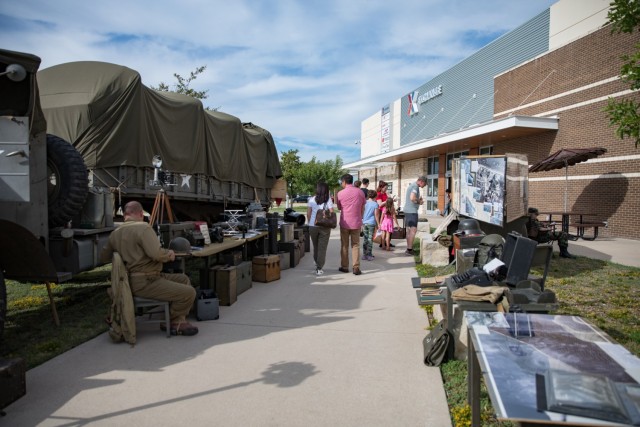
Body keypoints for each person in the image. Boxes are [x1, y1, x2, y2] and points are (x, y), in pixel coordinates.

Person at [100, 201, 198, 336]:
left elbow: (104, 257)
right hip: (146, 281)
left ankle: (177, 317)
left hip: (130, 281)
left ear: (125, 215)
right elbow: (156, 254)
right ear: (141, 214)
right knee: (189, 292)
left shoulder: (115, 233)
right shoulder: (143, 228)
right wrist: (168, 255)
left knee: (182, 279)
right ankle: (174, 322)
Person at [336, 173, 366, 275]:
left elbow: (339, 208)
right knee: (356, 245)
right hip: (356, 222)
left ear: (344, 181)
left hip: (345, 222)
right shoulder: (360, 192)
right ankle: (356, 267)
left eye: (341, 182)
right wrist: (360, 217)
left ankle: (344, 266)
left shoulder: (340, 193)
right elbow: (363, 207)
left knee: (344, 245)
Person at [306, 182, 334, 275]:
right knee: (322, 248)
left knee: (316, 246)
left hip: (313, 226)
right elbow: (331, 212)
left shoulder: (311, 199)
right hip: (324, 226)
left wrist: (310, 222)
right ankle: (319, 268)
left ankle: (317, 262)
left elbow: (308, 213)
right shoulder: (328, 200)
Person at [403, 176, 427, 256]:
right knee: (413, 230)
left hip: (407, 210)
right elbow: (412, 198)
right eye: (425, 184)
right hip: (412, 211)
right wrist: (419, 201)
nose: (424, 186)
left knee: (409, 231)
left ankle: (408, 248)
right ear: (421, 181)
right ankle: (409, 249)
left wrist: (417, 200)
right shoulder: (415, 187)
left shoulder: (412, 185)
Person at [361, 190, 379, 261]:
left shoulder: (365, 202)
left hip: (365, 222)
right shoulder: (375, 204)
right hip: (371, 223)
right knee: (370, 239)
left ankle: (364, 255)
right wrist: (378, 224)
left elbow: (362, 212)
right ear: (375, 196)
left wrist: (362, 220)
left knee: (365, 239)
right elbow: (376, 215)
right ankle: (369, 254)